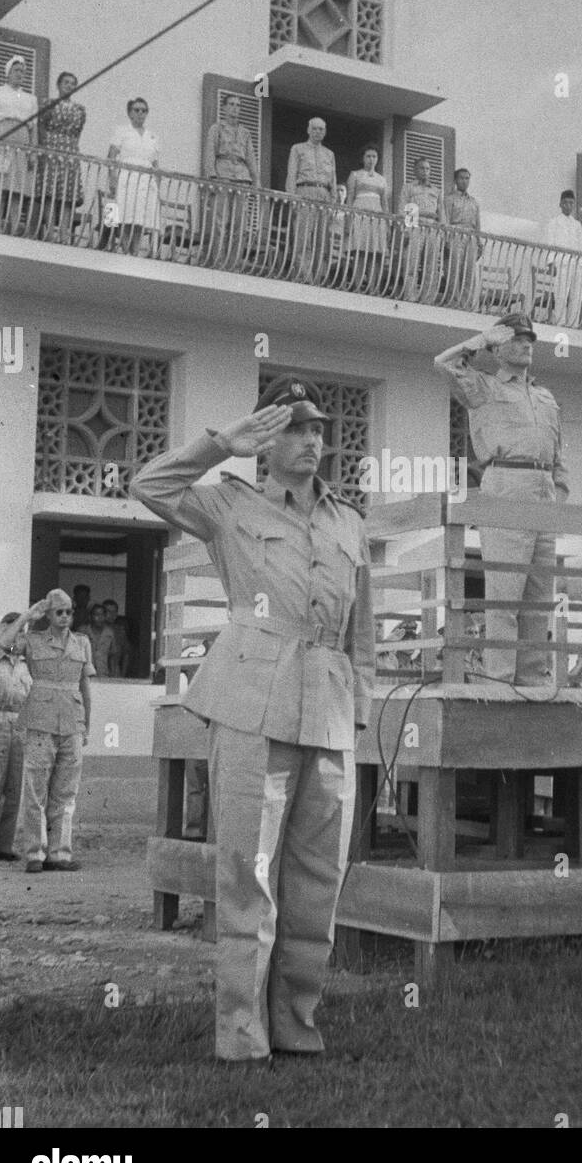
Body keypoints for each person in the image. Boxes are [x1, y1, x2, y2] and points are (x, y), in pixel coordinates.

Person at [130, 376, 375, 1063]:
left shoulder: (348, 520)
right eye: (294, 428)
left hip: (327, 707)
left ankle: (296, 1020)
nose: (310, 441)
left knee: (316, 878)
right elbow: (149, 485)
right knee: (248, 873)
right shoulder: (227, 504)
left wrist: (357, 712)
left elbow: (363, 634)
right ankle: (241, 1032)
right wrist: (220, 444)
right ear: (267, 439)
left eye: (317, 429)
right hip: (250, 700)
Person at [434, 312, 568, 687]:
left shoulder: (545, 396)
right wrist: (480, 340)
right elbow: (443, 363)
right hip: (506, 482)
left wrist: (560, 494)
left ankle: (532, 681)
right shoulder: (484, 387)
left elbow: (559, 453)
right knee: (505, 596)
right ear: (498, 347)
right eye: (517, 338)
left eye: (530, 339)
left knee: (539, 600)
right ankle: (499, 682)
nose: (527, 344)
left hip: (543, 488)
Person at [0, 590, 94, 872]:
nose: (65, 617)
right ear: (48, 615)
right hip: (40, 722)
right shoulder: (33, 640)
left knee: (66, 792)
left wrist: (87, 725)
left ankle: (59, 854)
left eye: (69, 612)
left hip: (72, 723)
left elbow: (85, 688)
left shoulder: (82, 643)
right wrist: (28, 615)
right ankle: (35, 854)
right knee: (35, 791)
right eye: (58, 612)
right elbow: (3, 644)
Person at [0, 614, 32, 862]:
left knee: (15, 787)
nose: (20, 637)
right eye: (16, 631)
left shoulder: (26, 665)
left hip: (20, 724)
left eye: (24, 632)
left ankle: (5, 845)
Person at [0, 54, 39, 234]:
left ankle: (14, 227)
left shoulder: (31, 98)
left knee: (17, 189)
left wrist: (33, 151)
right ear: (8, 72)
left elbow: (34, 128)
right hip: (1, 140)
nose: (19, 74)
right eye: (16, 70)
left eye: (22, 71)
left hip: (22, 143)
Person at [203, 93, 259, 264]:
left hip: (241, 178)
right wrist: (211, 176)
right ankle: (218, 260)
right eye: (232, 104)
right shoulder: (216, 128)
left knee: (239, 224)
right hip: (222, 176)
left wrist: (256, 180)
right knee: (220, 222)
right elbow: (210, 153)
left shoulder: (245, 133)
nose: (235, 108)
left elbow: (251, 158)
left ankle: (233, 262)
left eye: (238, 105)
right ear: (225, 107)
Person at [103, 97, 161, 255]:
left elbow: (155, 164)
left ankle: (134, 252)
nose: (140, 113)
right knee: (124, 216)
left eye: (144, 110)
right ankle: (126, 251)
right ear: (129, 113)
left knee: (139, 219)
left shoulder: (152, 136)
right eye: (136, 110)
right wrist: (112, 179)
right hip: (126, 179)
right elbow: (111, 157)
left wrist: (157, 184)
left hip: (146, 181)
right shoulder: (122, 131)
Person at [285, 117, 337, 282]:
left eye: (321, 129)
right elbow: (291, 174)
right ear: (308, 130)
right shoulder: (298, 149)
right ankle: (303, 275)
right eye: (314, 128)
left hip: (324, 194)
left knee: (321, 240)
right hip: (304, 191)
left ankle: (317, 277)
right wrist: (292, 198)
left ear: (325, 132)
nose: (317, 132)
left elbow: (333, 180)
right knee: (303, 237)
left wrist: (334, 201)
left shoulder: (329, 154)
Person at [37, 70, 86, 240]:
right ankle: (50, 231)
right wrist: (45, 149)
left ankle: (64, 232)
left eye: (73, 84)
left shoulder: (79, 109)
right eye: (66, 82)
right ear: (58, 85)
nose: (69, 86)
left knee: (67, 194)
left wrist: (71, 149)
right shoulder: (48, 104)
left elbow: (77, 133)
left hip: (70, 151)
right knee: (50, 193)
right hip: (51, 148)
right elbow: (41, 127)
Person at [398, 157, 445, 303]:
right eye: (421, 168)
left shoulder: (436, 190)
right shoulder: (408, 187)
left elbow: (442, 213)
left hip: (432, 227)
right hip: (415, 225)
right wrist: (405, 230)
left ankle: (427, 298)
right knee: (411, 262)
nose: (425, 171)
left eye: (427, 169)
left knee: (431, 266)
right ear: (415, 170)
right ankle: (410, 295)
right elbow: (403, 209)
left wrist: (442, 233)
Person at [345, 144, 389, 291]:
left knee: (375, 253)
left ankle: (373, 287)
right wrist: (349, 219)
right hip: (360, 214)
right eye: (368, 156)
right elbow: (350, 198)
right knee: (360, 251)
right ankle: (357, 285)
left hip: (377, 217)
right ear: (363, 158)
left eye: (374, 156)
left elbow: (384, 202)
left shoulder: (382, 179)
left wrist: (387, 223)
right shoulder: (355, 175)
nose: (371, 159)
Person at [542, 189, 582, 327]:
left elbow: (580, 246)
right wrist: (550, 263)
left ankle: (574, 324)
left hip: (576, 264)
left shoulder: (577, 225)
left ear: (574, 205)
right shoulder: (553, 222)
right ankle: (560, 323)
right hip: (561, 263)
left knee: (577, 296)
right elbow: (549, 243)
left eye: (571, 203)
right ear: (560, 204)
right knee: (561, 295)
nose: (568, 206)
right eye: (565, 203)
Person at [443, 168, 481, 308]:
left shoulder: (474, 202)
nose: (464, 181)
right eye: (461, 178)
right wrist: (446, 240)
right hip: (455, 233)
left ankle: (466, 304)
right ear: (455, 180)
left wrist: (479, 242)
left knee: (469, 270)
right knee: (454, 269)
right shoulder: (449, 199)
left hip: (470, 236)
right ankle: (454, 301)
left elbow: (477, 223)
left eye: (467, 178)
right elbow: (445, 220)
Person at [77, 602, 116, 678]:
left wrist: (113, 674)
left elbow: (113, 656)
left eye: (102, 615)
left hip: (103, 674)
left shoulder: (109, 633)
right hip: (85, 675)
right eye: (96, 615)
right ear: (90, 616)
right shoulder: (82, 631)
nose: (100, 618)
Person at [102, 599, 132, 678]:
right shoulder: (94, 629)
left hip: (115, 672)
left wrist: (123, 675)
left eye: (114, 611)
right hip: (98, 671)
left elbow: (126, 654)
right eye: (108, 611)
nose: (112, 614)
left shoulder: (120, 630)